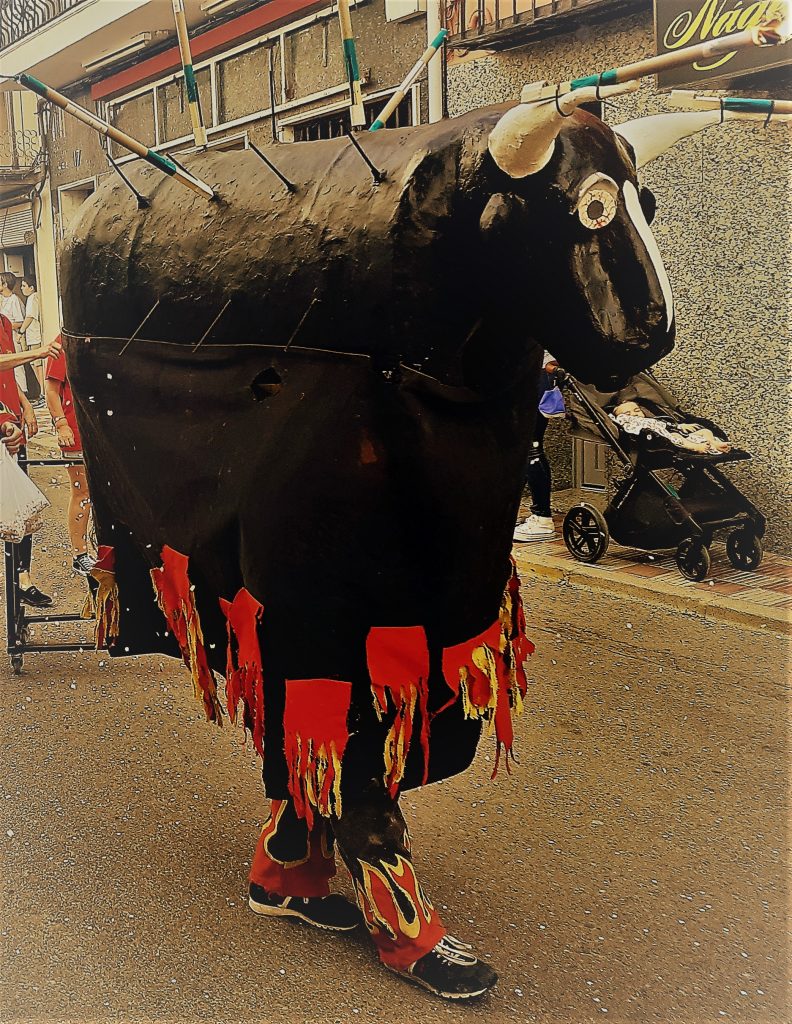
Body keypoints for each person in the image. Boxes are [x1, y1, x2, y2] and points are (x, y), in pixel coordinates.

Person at [0, 312, 54, 607]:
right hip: (3, 424)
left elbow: (7, 372)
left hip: (12, 423)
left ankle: (23, 579)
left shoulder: (4, 322)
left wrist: (26, 406)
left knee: (21, 509)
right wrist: (37, 352)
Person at [44, 340, 95, 576]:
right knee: (82, 492)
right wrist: (61, 424)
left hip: (103, 433)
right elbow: (51, 390)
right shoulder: (63, 342)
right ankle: (80, 554)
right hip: (75, 431)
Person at [513, 350, 560, 542]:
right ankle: (537, 515)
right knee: (525, 447)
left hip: (537, 373)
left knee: (531, 446)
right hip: (535, 373)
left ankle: (542, 518)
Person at [611, 401, 732, 454]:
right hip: (660, 440)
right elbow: (627, 426)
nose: (634, 414)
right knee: (676, 435)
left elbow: (666, 424)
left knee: (705, 431)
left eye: (637, 410)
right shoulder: (629, 422)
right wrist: (619, 418)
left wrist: (680, 425)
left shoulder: (651, 420)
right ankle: (696, 447)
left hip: (676, 433)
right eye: (628, 413)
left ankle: (713, 443)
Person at [0, 272, 29, 397]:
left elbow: (20, 321)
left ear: (5, 284)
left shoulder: (14, 300)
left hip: (12, 335)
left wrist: (5, 326)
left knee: (16, 366)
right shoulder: (2, 299)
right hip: (3, 337)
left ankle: (23, 394)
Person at [18, 276, 45, 398]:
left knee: (38, 366)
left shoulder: (33, 297)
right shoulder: (32, 298)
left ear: (31, 287)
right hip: (32, 336)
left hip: (35, 336)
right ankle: (42, 393)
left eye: (24, 286)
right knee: (34, 365)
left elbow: (30, 316)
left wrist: (21, 332)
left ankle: (43, 393)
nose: (22, 288)